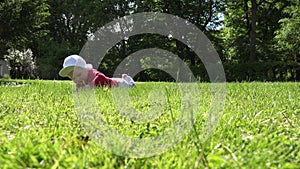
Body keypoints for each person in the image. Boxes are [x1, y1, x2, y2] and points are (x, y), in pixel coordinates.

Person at [59, 55, 135, 89]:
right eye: (73, 78)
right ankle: (126, 79)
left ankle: (129, 81)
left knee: (130, 86)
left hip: (118, 84)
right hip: (110, 82)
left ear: (86, 69)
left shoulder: (92, 73)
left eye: (79, 75)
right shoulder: (80, 83)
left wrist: (90, 86)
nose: (77, 79)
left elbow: (101, 78)